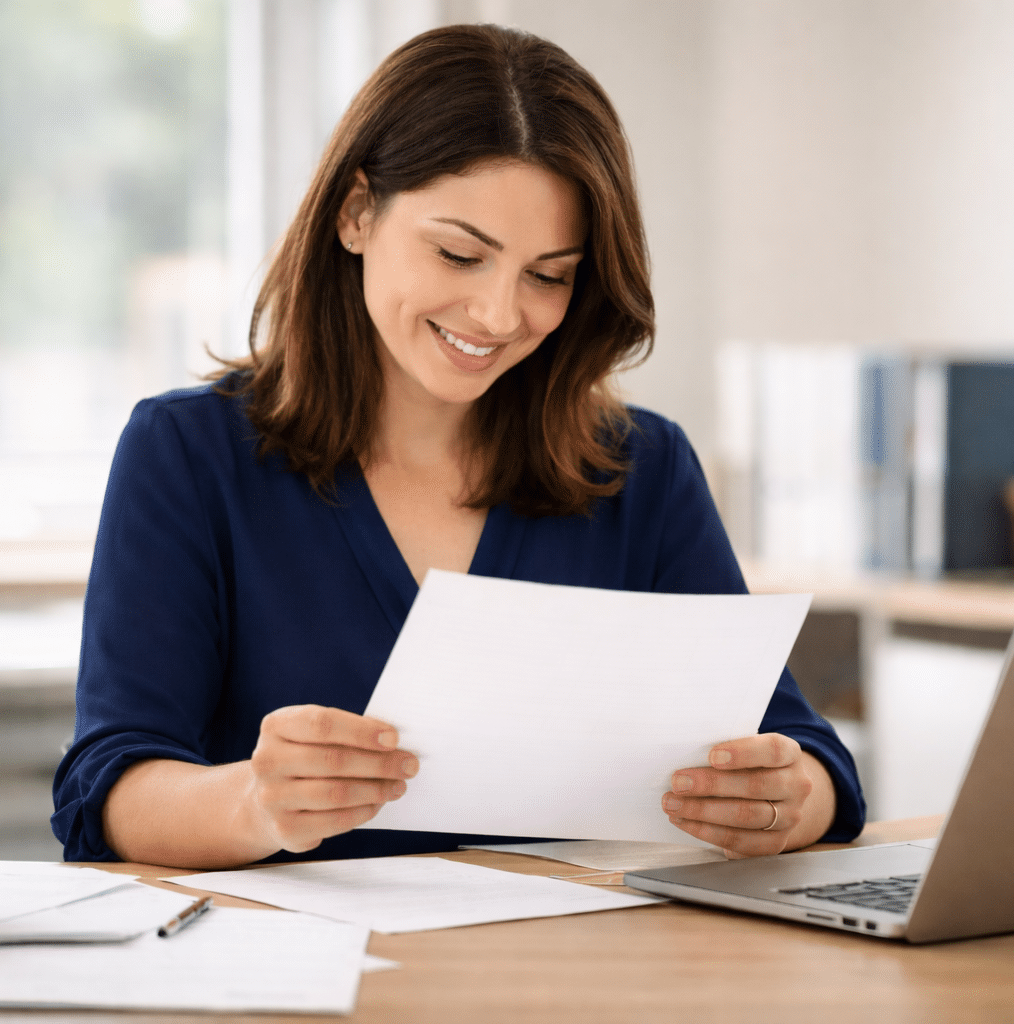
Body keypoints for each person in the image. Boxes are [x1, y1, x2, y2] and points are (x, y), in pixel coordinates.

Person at [52, 24, 865, 868]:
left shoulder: (640, 469)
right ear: (356, 213)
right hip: (313, 985)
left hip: (577, 980)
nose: (498, 315)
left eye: (548, 275)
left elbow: (808, 760)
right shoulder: (188, 453)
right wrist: (255, 804)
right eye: (459, 253)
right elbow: (109, 790)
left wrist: (785, 797)